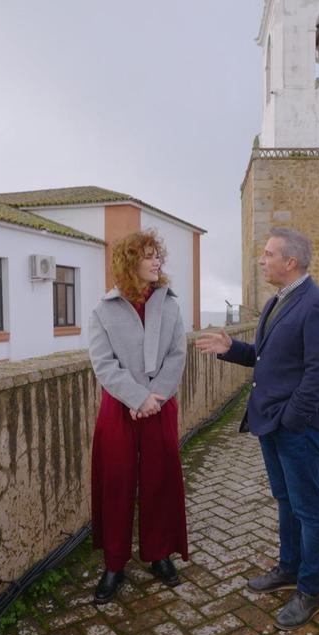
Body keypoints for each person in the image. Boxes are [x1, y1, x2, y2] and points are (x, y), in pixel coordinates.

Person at [196, 226, 319, 631]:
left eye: (268, 254)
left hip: (295, 426)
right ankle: (289, 568)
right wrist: (232, 350)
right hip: (271, 421)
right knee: (284, 499)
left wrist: (293, 420)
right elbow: (267, 358)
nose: (262, 260)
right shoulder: (277, 301)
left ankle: (310, 590)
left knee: (309, 508)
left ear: (290, 261)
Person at [87, 229, 189, 605]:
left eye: (157, 255)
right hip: (119, 408)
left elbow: (177, 355)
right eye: (148, 256)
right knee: (117, 484)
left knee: (159, 480)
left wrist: (153, 399)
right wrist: (135, 396)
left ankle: (159, 554)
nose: (156, 261)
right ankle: (114, 564)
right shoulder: (103, 311)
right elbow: (103, 363)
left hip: (160, 405)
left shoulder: (171, 305)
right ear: (131, 263)